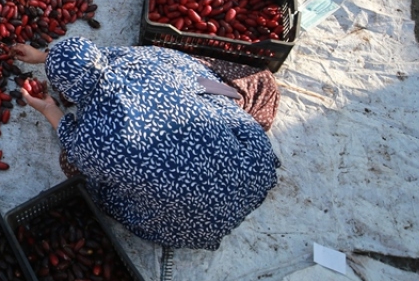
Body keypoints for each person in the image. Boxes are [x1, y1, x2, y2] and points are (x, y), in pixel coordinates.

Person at [14, 38, 280, 250]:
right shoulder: (149, 58)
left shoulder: (91, 140)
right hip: (254, 172)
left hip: (202, 223)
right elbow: (201, 78)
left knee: (72, 166)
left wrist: (49, 108)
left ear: (69, 92)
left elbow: (72, 145)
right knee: (246, 84)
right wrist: (43, 55)